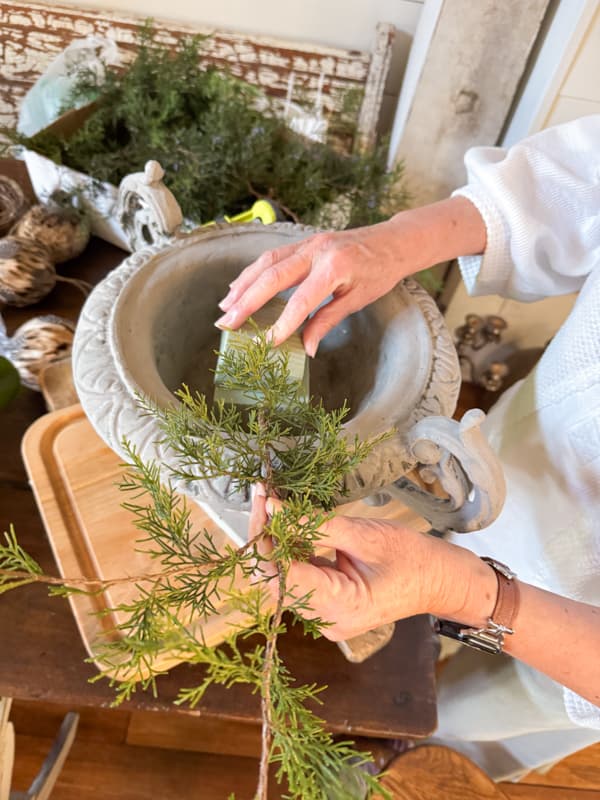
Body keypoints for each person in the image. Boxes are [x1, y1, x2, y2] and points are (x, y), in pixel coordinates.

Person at [216, 115, 600, 779]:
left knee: (444, 739)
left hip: (578, 644)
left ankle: (372, 774)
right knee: (425, 603)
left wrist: (480, 599)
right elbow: (578, 183)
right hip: (524, 462)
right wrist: (390, 243)